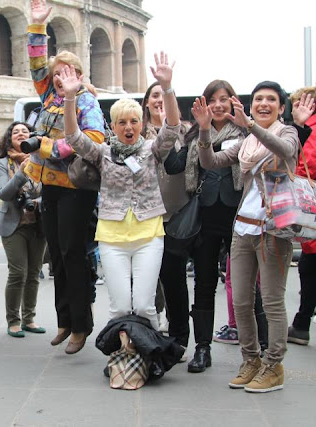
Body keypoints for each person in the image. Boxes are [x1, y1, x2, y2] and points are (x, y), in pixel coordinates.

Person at [60, 51, 181, 333]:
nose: (128, 127)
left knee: (143, 306)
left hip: (148, 235)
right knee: (120, 306)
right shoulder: (102, 152)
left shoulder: (152, 150)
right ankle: (122, 354)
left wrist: (167, 88)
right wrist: (69, 98)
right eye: (122, 122)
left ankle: (149, 354)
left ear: (141, 124)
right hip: (112, 237)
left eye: (134, 121)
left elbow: (173, 128)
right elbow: (73, 138)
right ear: (113, 126)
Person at [197, 81, 299, 393]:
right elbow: (209, 162)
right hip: (242, 228)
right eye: (258, 99)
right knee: (241, 301)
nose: (264, 103)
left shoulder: (286, 132)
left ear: (281, 108)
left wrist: (251, 125)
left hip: (272, 229)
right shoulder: (245, 142)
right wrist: (203, 131)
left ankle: (274, 365)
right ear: (251, 104)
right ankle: (251, 359)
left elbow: (286, 151)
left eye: (271, 100)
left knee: (271, 301)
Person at [25, 0, 106, 354]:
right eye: (57, 74)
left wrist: (47, 148)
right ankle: (64, 321)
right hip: (52, 189)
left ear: (79, 75)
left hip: (76, 187)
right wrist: (38, 26)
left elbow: (94, 140)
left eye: (66, 73)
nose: (59, 78)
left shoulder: (86, 101)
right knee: (56, 255)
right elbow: (36, 65)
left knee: (73, 254)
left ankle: (81, 326)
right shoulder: (49, 96)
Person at [163, 80, 248, 373]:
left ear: (234, 102)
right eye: (213, 99)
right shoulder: (195, 132)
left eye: (225, 99)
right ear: (206, 104)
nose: (219, 105)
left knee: (248, 285)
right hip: (206, 217)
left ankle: (256, 352)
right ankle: (202, 348)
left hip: (240, 216)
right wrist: (175, 134)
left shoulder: (246, 131)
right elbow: (173, 165)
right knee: (204, 283)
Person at [142, 82, 191, 358]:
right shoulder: (136, 131)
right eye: (154, 96)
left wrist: (167, 126)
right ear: (147, 102)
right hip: (145, 217)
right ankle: (147, 333)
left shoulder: (184, 131)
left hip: (176, 215)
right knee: (148, 280)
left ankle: (179, 337)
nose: (159, 100)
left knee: (174, 279)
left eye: (164, 95)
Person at [0, 121, 46, 338]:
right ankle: (13, 321)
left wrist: (38, 201)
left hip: (38, 225)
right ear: (10, 138)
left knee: (33, 274)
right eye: (16, 132)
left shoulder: (41, 160)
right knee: (18, 273)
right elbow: (4, 193)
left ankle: (29, 319)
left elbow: (48, 188)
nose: (21, 134)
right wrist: (22, 173)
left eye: (25, 131)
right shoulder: (3, 163)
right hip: (13, 226)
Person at [286, 88, 316, 345]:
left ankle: (302, 323)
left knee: (309, 267)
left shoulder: (309, 127)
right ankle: (302, 323)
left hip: (311, 206)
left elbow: (306, 163)